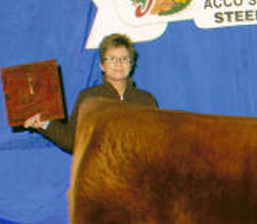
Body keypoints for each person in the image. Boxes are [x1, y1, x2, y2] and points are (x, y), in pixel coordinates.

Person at [23, 33, 158, 153]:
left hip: (138, 176)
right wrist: (44, 124)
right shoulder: (88, 97)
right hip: (101, 176)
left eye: (124, 59)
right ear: (102, 66)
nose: (118, 63)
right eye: (112, 58)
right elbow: (71, 142)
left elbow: (156, 143)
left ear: (131, 64)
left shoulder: (146, 99)